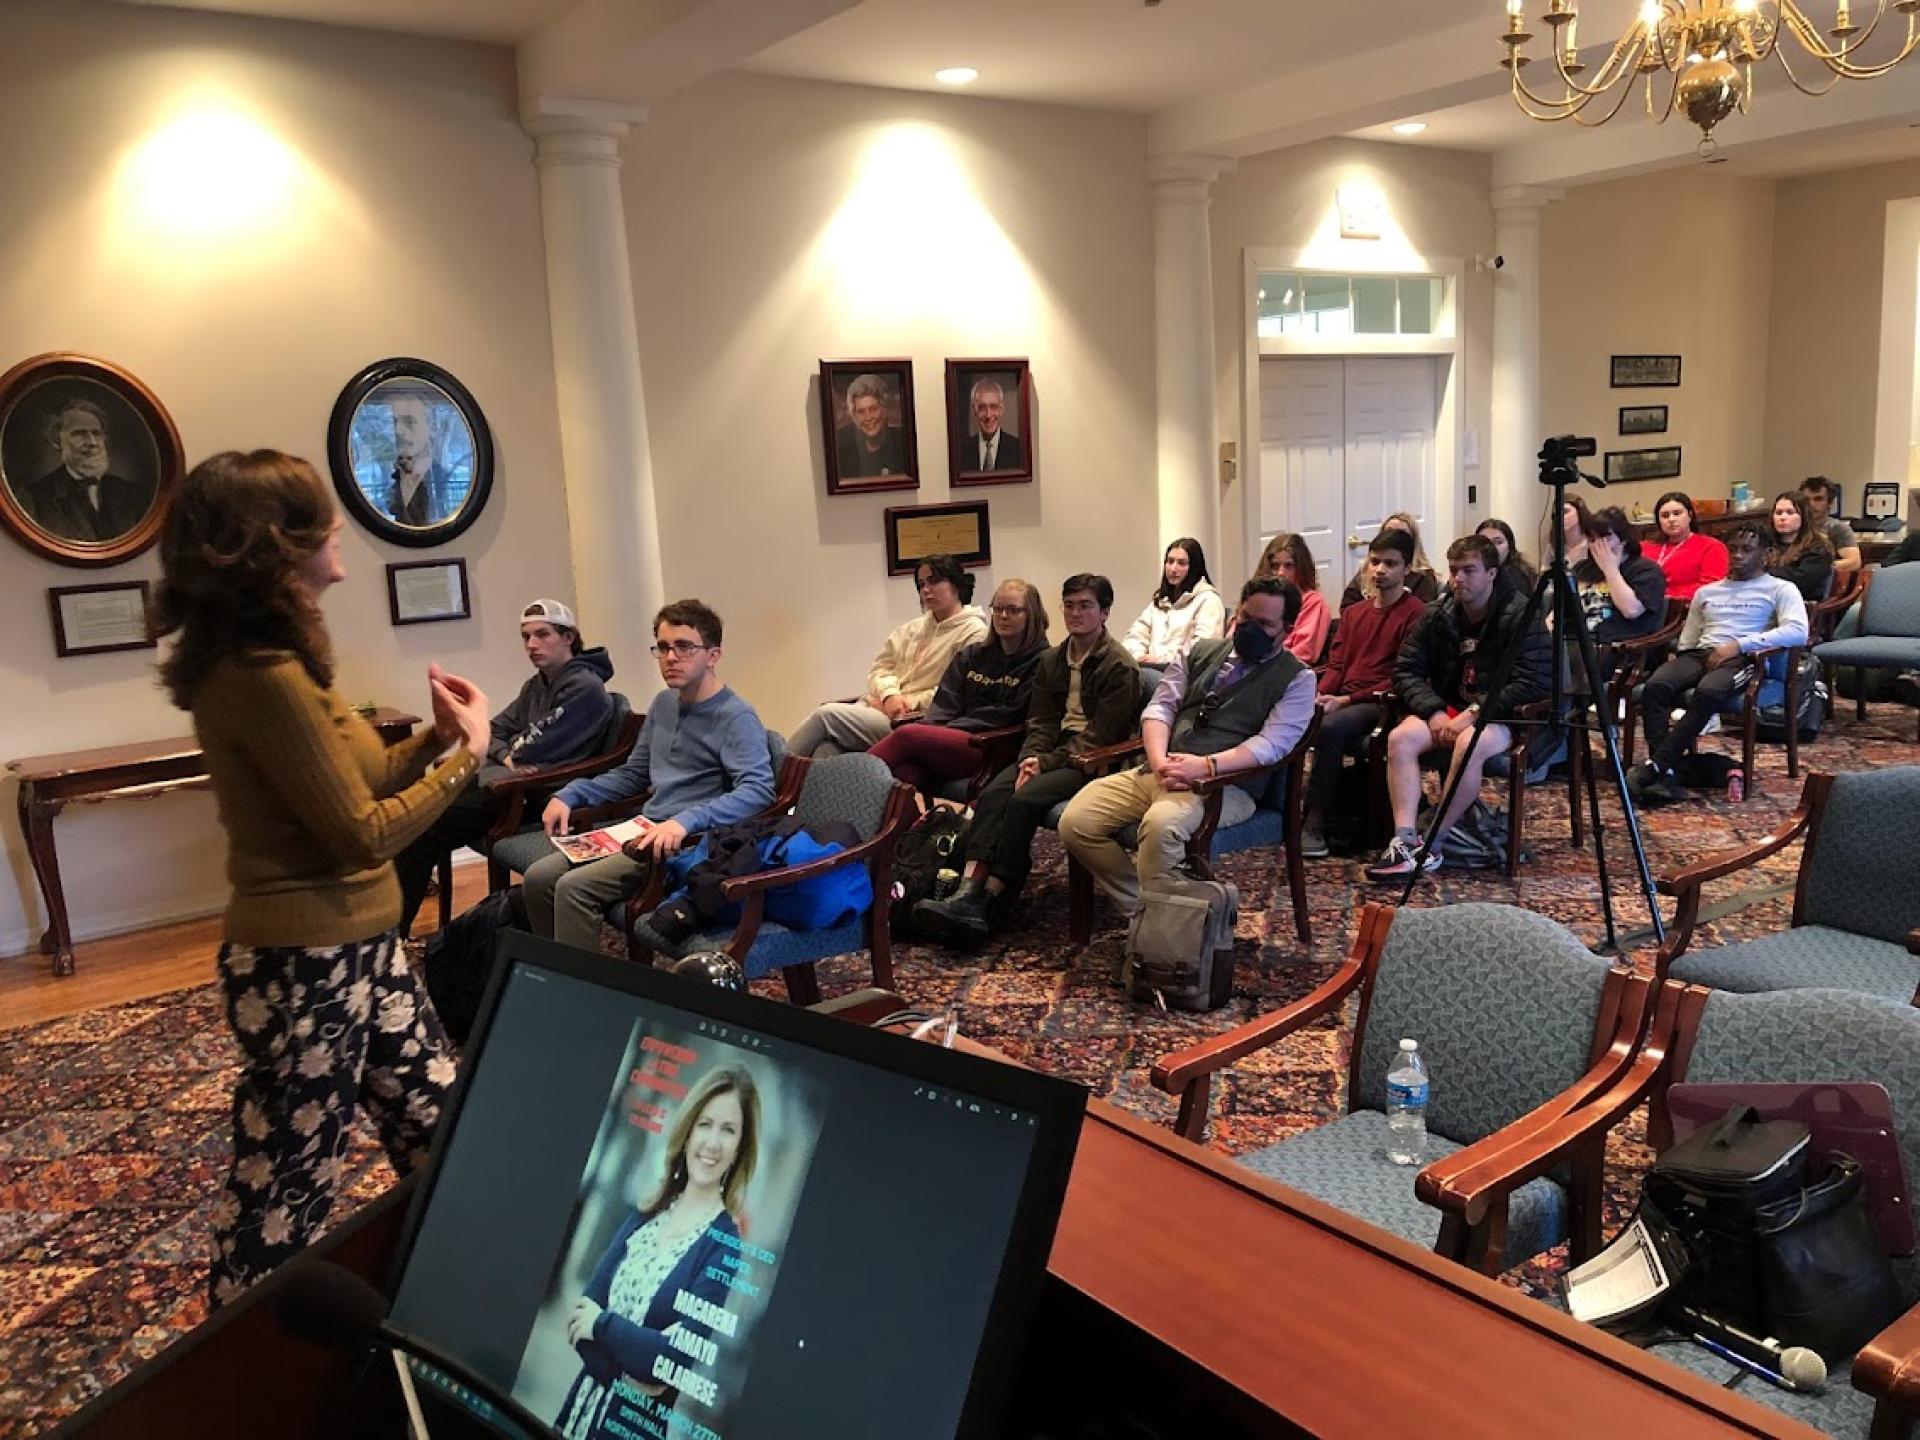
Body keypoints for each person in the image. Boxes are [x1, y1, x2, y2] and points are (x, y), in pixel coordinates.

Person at [151, 449, 491, 1304]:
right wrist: (470, 759)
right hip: (304, 962)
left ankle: (457, 1294)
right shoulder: (258, 676)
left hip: (361, 947)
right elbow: (359, 834)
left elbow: (362, 779)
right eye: (316, 515)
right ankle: (241, 1358)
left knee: (435, 1122)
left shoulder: (285, 662)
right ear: (270, 547)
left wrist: (437, 739)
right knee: (288, 1185)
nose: (338, 525)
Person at [523, 600, 776, 953]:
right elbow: (634, 774)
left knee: (573, 889)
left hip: (684, 845)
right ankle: (550, 975)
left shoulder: (736, 717)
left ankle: (584, 998)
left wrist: (685, 821)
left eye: (684, 647)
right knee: (537, 879)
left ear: (713, 655)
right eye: (663, 647)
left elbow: (758, 791)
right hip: (643, 828)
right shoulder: (664, 703)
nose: (671, 657)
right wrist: (572, 793)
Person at [1058, 577, 1316, 916]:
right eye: (1246, 618)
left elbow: (1271, 745)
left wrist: (1204, 767)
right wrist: (1160, 761)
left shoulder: (1298, 678)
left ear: (1288, 629)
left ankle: (1165, 930)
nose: (1251, 629)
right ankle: (1151, 913)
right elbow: (1161, 707)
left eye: (1265, 624)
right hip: (1160, 769)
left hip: (1226, 786)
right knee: (1076, 821)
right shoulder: (1199, 651)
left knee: (1161, 826)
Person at [914, 574, 1141, 942]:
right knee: (993, 793)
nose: (1075, 613)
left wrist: (1045, 764)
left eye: (1085, 606)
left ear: (1105, 612)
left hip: (1092, 761)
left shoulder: (1119, 667)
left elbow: (1102, 737)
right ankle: (968, 889)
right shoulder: (1053, 660)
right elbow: (1040, 720)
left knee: (1024, 800)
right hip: (1051, 750)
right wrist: (1032, 756)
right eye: (1069, 605)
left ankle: (993, 898)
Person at [555, 1067, 757, 1439]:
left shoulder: (723, 1246)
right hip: (576, 1417)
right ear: (688, 1130)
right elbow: (577, 1322)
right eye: (705, 1124)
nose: (712, 1142)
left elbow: (670, 1361)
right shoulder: (648, 1210)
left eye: (728, 1130)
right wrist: (635, 1362)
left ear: (740, 1149)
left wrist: (603, 1325)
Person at [393, 598, 616, 933]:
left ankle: (393, 937)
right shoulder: (536, 684)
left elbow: (527, 750)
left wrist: (506, 753)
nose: (531, 645)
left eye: (542, 634)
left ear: (568, 637)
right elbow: (493, 729)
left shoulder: (585, 687)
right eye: (526, 636)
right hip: (503, 784)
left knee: (421, 831)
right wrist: (506, 755)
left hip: (535, 798)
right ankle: (388, 932)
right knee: (415, 813)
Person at [1366, 534, 1551, 880]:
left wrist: (1476, 713)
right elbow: (1405, 669)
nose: (1458, 579)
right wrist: (1434, 711)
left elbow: (1534, 680)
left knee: (1468, 745)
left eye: (1469, 570)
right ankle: (1404, 841)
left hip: (1502, 715)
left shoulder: (1520, 612)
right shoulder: (1439, 612)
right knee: (1400, 739)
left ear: (1492, 573)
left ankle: (1433, 843)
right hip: (1449, 707)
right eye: (1453, 570)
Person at [1627, 522, 1809, 806]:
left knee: (1709, 691)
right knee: (1656, 685)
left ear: (1766, 554)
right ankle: (1668, 771)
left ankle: (1657, 766)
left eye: (1747, 550)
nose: (1738, 556)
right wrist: (1678, 663)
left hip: (1743, 657)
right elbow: (1689, 638)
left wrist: (1740, 645)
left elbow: (1798, 631)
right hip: (1702, 653)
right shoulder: (1708, 592)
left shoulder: (1780, 589)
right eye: (1733, 550)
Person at [1300, 530, 1427, 858]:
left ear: (1407, 568)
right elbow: (1337, 664)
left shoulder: (1417, 613)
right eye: (1374, 562)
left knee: (1329, 728)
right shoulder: (1355, 613)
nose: (1380, 570)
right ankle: (1282, 811)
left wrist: (1345, 701)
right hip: (1344, 699)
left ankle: (1314, 819)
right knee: (1294, 715)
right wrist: (1321, 697)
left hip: (1381, 704)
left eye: (1390, 563)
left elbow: (1402, 677)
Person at [789, 554, 986, 757]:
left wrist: (905, 703)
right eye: (921, 584)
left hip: (918, 720)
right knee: (827, 748)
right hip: (881, 708)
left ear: (956, 583)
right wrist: (890, 695)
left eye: (934, 581)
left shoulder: (973, 632)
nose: (926, 590)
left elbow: (956, 690)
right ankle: (795, 788)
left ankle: (772, 772)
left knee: (826, 715)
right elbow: (880, 669)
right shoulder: (912, 628)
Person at [868, 578, 1049, 793]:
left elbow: (1010, 715)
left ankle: (845, 781)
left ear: (1031, 615)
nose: (1003, 616)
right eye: (998, 608)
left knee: (907, 735)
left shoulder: (1043, 661)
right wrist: (934, 728)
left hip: (990, 745)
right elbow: (946, 700)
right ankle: (906, 825)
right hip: (953, 737)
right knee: (906, 774)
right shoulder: (973, 654)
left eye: (1013, 610)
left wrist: (946, 729)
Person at [19, 398, 155, 542]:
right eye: (79, 433)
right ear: (56, 440)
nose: (92, 442)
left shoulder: (133, 495)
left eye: (96, 433)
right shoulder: (35, 498)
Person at [1569, 505, 1667, 678]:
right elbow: (1558, 611)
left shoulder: (1646, 571)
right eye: (1593, 539)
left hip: (1620, 647)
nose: (1599, 545)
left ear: (1623, 540)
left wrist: (1610, 570)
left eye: (1606, 538)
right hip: (1577, 641)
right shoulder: (1582, 569)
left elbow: (1631, 611)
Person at [1120, 537, 1225, 686]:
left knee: (1136, 681)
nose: (1173, 569)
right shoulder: (1160, 601)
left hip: (1181, 676)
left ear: (1194, 566)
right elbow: (1136, 634)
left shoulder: (1208, 600)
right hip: (1148, 668)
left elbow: (1202, 650)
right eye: (1170, 561)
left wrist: (1160, 659)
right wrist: (1138, 655)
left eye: (1181, 563)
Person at [1243, 532, 1330, 664]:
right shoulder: (1257, 598)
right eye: (1274, 566)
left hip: (1282, 671)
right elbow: (1232, 638)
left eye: (1289, 566)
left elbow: (1304, 652)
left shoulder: (1312, 601)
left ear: (1301, 568)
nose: (1280, 573)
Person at [1339, 512, 1441, 608]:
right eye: (1389, 531)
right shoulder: (1367, 569)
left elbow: (1424, 616)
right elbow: (1347, 605)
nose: (1380, 569)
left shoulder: (1423, 576)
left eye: (1402, 533)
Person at [1644, 490, 1729, 603]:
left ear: (1690, 516)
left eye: (1677, 513)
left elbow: (1710, 587)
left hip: (1685, 609)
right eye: (1665, 516)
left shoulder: (1711, 547)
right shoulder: (1644, 547)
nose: (1671, 519)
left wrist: (1666, 596)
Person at [386, 391, 457, 527]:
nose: (399, 430)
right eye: (395, 421)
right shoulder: (398, 474)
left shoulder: (436, 475)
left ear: (430, 426)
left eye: (409, 422)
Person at [834, 373, 909, 479]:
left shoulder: (903, 441)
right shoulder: (842, 442)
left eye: (873, 409)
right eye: (861, 412)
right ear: (854, 415)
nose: (868, 417)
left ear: (884, 408)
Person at [1767, 491, 1837, 602]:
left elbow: (1801, 582)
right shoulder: (1765, 544)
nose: (1783, 518)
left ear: (1804, 516)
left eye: (1790, 513)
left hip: (1802, 607)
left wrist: (1760, 572)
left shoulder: (1818, 549)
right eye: (1778, 513)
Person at [959, 376, 1025, 473]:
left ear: (1001, 409)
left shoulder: (1019, 449)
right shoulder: (962, 451)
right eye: (982, 407)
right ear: (974, 410)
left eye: (993, 406)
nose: (988, 415)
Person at [1800, 476, 1862, 575]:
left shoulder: (1837, 528)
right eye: (1806, 500)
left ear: (1830, 503)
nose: (1811, 504)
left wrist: (1816, 568)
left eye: (1818, 499)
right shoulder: (1794, 527)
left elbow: (1854, 562)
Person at [1477, 518, 1539, 592]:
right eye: (1484, 542)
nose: (1491, 547)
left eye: (1498, 542)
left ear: (1510, 546)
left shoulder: (1514, 580)